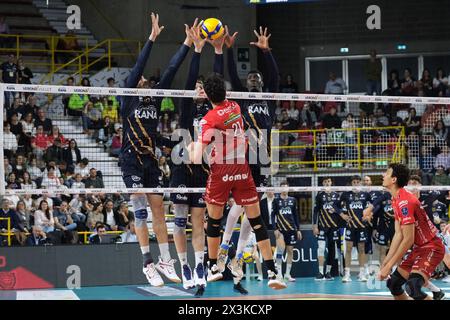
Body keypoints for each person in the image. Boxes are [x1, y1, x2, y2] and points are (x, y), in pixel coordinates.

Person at [190, 72, 286, 290]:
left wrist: (191, 148)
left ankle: (213, 267)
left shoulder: (208, 119)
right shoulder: (235, 107)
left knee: (214, 222)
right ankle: (272, 271)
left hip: (221, 172)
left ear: (207, 95)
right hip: (243, 170)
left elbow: (196, 159)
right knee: (257, 222)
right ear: (225, 92)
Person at [120, 13, 193, 287]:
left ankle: (165, 259)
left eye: (144, 82)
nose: (141, 82)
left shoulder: (155, 98)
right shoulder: (128, 99)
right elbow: (138, 67)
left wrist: (186, 43)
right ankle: (147, 263)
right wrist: (152, 38)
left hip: (150, 161)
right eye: (139, 82)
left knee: (159, 209)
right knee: (139, 207)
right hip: (130, 160)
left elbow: (172, 70)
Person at [217, 25, 280, 284]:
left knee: (252, 207)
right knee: (239, 204)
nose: (253, 79)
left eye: (256, 78)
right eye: (250, 78)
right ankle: (224, 248)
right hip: (243, 158)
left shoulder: (269, 99)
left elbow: (275, 76)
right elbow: (231, 73)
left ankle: (239, 255)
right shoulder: (241, 99)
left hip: (263, 159)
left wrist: (266, 52)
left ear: (262, 83)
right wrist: (229, 50)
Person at [169, 20, 223, 291]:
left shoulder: (213, 111)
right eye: (197, 87)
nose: (200, 89)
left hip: (204, 170)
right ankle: (184, 265)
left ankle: (200, 264)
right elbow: (190, 81)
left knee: (199, 221)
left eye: (204, 87)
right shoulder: (187, 107)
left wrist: (218, 51)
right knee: (180, 220)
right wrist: (197, 50)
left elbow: (217, 81)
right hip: (181, 167)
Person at [378, 163, 445, 300]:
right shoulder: (395, 199)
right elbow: (398, 234)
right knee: (394, 284)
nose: (383, 175)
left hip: (431, 247)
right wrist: (386, 262)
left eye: (386, 173)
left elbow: (408, 239)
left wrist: (389, 266)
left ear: (393, 180)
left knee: (413, 287)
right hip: (419, 249)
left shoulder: (405, 202)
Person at [340, 175, 372, 282]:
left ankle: (362, 274)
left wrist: (369, 215)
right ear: (351, 184)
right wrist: (342, 215)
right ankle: (347, 274)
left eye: (358, 182)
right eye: (354, 182)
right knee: (348, 249)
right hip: (350, 226)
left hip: (362, 226)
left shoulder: (366, 195)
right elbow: (336, 205)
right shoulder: (346, 195)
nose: (356, 184)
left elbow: (373, 206)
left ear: (360, 183)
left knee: (361, 249)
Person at [313, 177, 342, 280]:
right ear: (322, 183)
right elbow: (316, 211)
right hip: (322, 227)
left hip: (333, 227)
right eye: (325, 181)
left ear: (331, 182)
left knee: (332, 249)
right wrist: (315, 225)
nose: (327, 183)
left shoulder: (337, 196)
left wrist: (335, 211)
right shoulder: (319, 196)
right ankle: (320, 272)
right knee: (320, 248)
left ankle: (328, 272)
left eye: (328, 181)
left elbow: (341, 210)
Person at [272, 181, 302, 282]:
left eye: (286, 187)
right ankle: (279, 274)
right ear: (280, 189)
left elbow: (296, 215)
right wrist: (275, 228)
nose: (284, 189)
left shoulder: (293, 200)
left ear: (288, 188)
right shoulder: (276, 201)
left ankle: (287, 274)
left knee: (290, 251)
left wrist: (298, 229)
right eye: (282, 187)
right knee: (280, 251)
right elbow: (272, 216)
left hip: (291, 229)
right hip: (280, 230)